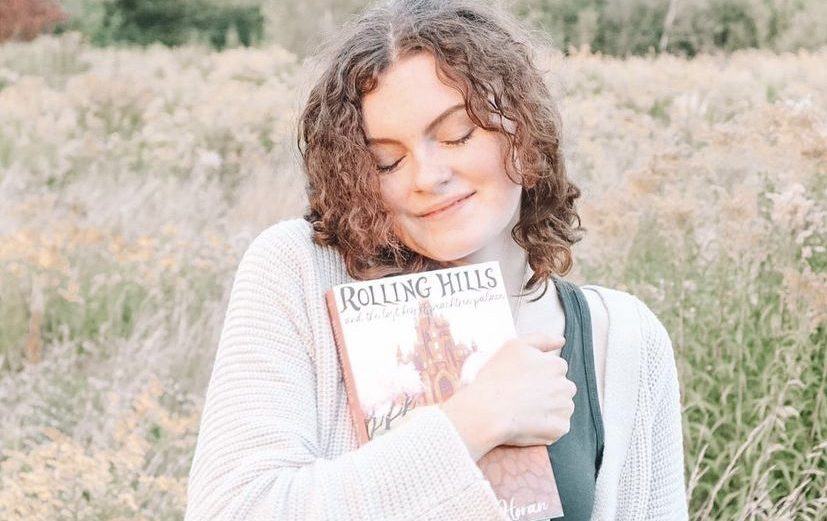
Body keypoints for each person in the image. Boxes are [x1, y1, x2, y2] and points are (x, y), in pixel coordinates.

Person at [184, 0, 688, 520]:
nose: (427, 176)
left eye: (457, 134)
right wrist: (474, 420)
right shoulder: (299, 274)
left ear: (524, 126)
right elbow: (233, 510)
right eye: (387, 161)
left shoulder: (622, 339)